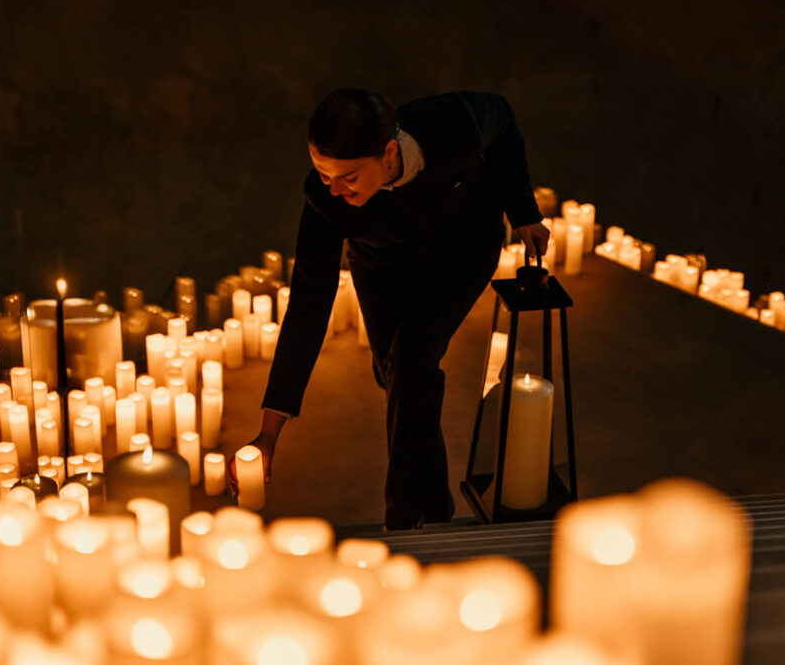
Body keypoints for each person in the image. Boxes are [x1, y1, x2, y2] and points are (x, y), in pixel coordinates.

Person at [229, 88, 549, 529]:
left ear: (389, 153)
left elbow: (505, 122)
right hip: (381, 265)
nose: (335, 190)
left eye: (348, 177)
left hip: (463, 250)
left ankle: (403, 523)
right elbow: (307, 305)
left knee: (412, 361)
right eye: (323, 174)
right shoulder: (325, 199)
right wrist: (269, 433)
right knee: (396, 377)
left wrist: (523, 210)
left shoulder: (453, 126)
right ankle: (435, 512)